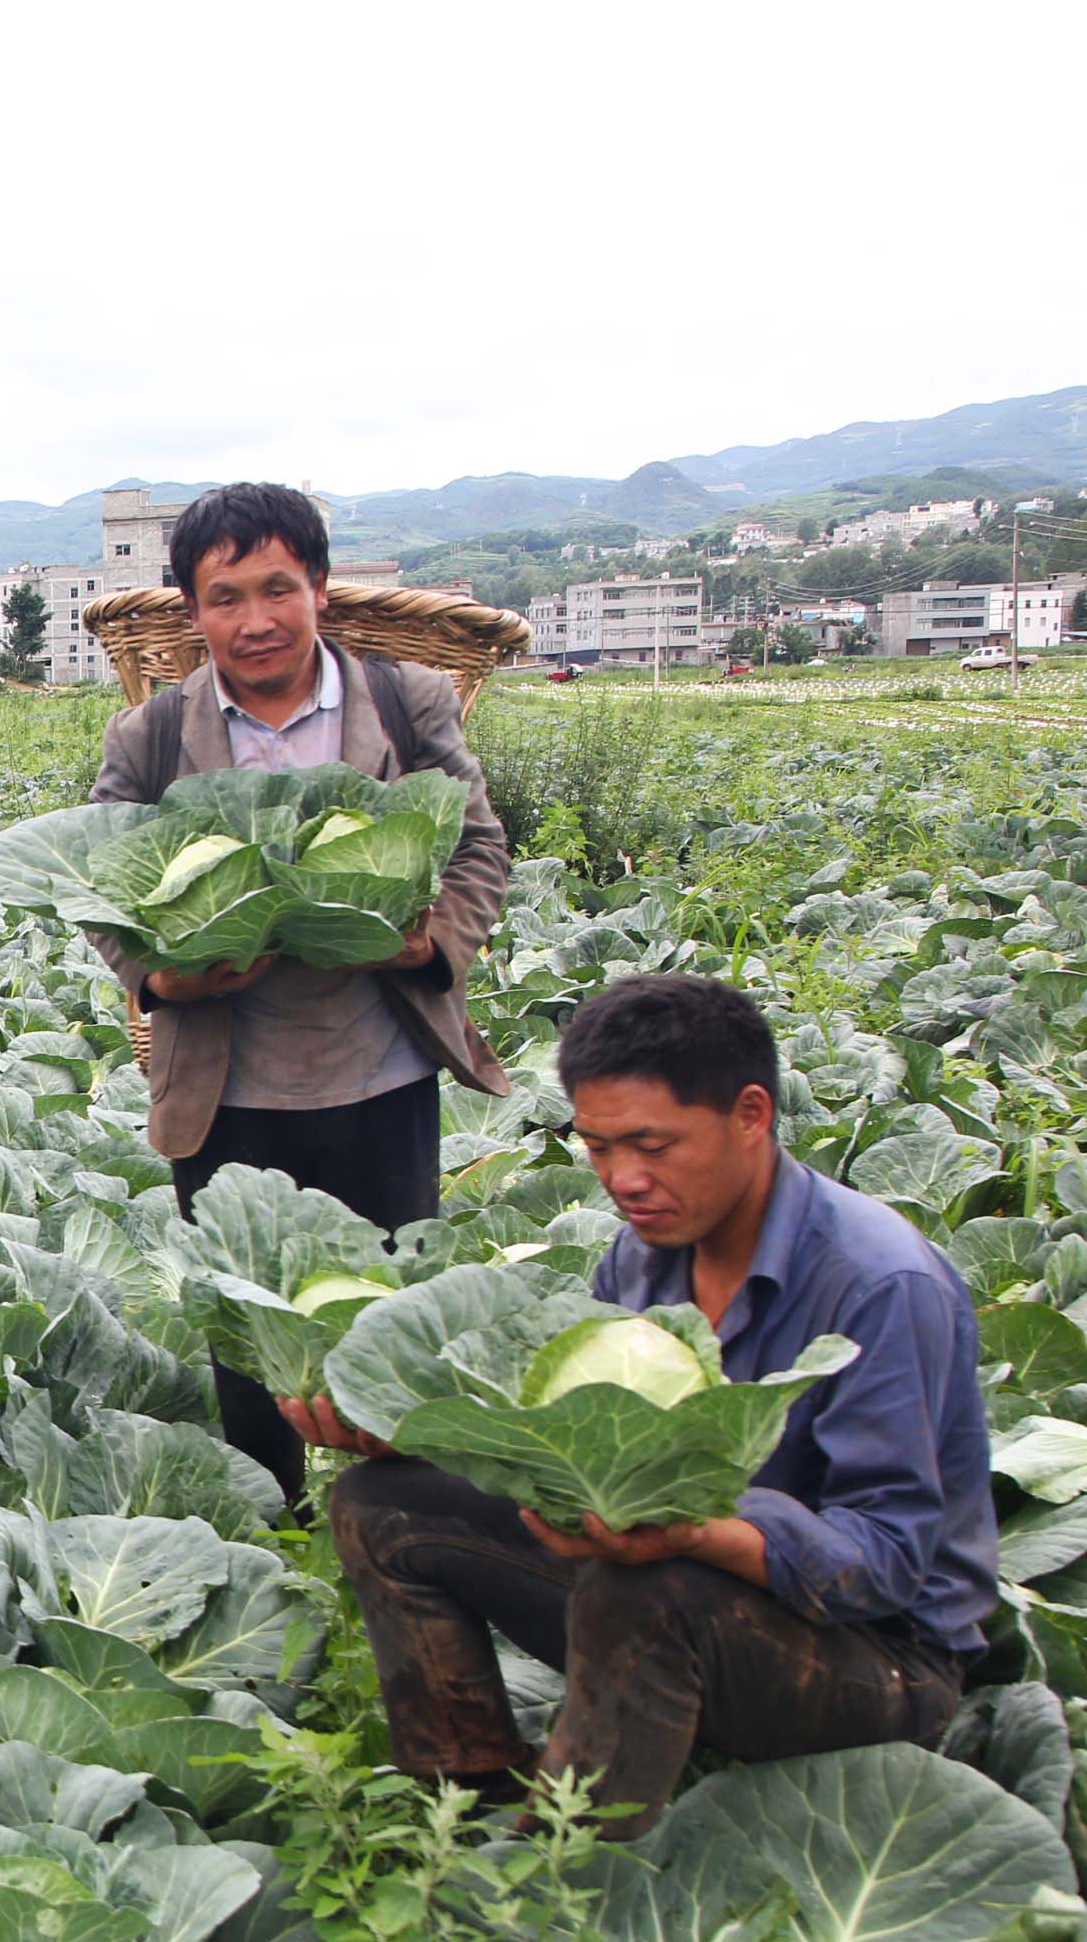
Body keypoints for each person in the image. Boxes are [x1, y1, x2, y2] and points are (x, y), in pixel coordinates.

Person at [291, 974, 997, 1835]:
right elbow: (576, 1452)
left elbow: (884, 1565)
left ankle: (548, 1887)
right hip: (669, 1585)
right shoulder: (638, 1261)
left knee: (646, 1590)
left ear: (750, 1115)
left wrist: (699, 1533)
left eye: (653, 1146)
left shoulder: (881, 1284)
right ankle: (465, 1795)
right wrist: (421, 1435)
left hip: (875, 1663)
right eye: (597, 1147)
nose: (623, 1179)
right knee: (383, 1506)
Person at [95, 483, 513, 1511]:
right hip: (226, 1088)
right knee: (249, 1346)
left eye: (278, 587)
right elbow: (96, 888)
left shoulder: (405, 705)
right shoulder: (149, 736)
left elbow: (479, 849)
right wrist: (169, 973)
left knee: (393, 1328)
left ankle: (404, 1546)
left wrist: (425, 939)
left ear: (320, 589)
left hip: (379, 1068)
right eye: (225, 595)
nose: (255, 620)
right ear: (193, 612)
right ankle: (274, 1532)